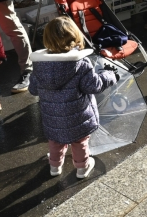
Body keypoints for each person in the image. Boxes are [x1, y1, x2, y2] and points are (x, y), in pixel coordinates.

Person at [29, 17, 118, 179]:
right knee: (79, 142)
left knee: (56, 141)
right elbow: (94, 86)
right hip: (78, 117)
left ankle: (55, 166)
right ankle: (82, 167)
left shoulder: (39, 65)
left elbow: (33, 90)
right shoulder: (81, 64)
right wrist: (110, 75)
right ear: (75, 38)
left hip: (53, 119)